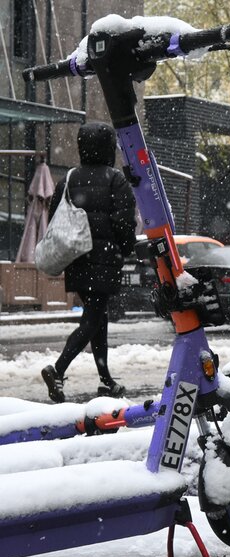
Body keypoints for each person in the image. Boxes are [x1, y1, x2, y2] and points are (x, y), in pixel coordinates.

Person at [40, 122, 137, 403]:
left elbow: (54, 221)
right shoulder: (114, 179)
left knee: (97, 318)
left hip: (77, 259)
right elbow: (124, 222)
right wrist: (126, 247)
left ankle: (106, 380)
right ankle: (56, 370)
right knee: (93, 319)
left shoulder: (68, 179)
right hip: (104, 259)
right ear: (108, 147)